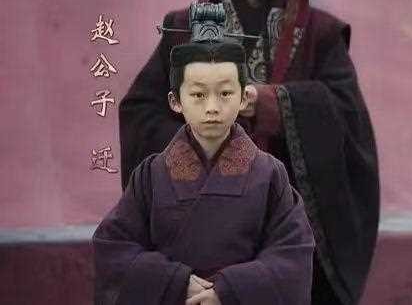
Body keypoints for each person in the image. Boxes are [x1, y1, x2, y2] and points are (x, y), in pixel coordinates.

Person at [119, 0, 379, 305]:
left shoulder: (320, 32)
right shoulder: (184, 25)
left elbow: (347, 117)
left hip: (281, 210)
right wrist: (200, 136)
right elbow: (140, 111)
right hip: (197, 208)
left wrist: (271, 103)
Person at [94, 37, 315, 305]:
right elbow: (114, 249)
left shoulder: (269, 174)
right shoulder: (150, 175)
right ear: (176, 101)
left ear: (244, 98)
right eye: (198, 95)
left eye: (225, 94)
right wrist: (175, 282)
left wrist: (229, 291)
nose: (212, 107)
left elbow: (292, 256)